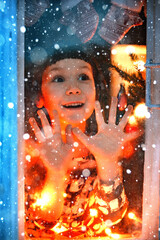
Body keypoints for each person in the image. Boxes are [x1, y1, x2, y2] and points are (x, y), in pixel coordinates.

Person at [24, 46, 141, 238]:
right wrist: (55, 172)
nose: (73, 89)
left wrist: (107, 161)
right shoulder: (28, 151)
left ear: (96, 89)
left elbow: (111, 218)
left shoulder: (106, 146)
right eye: (58, 79)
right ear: (39, 97)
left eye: (83, 77)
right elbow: (41, 222)